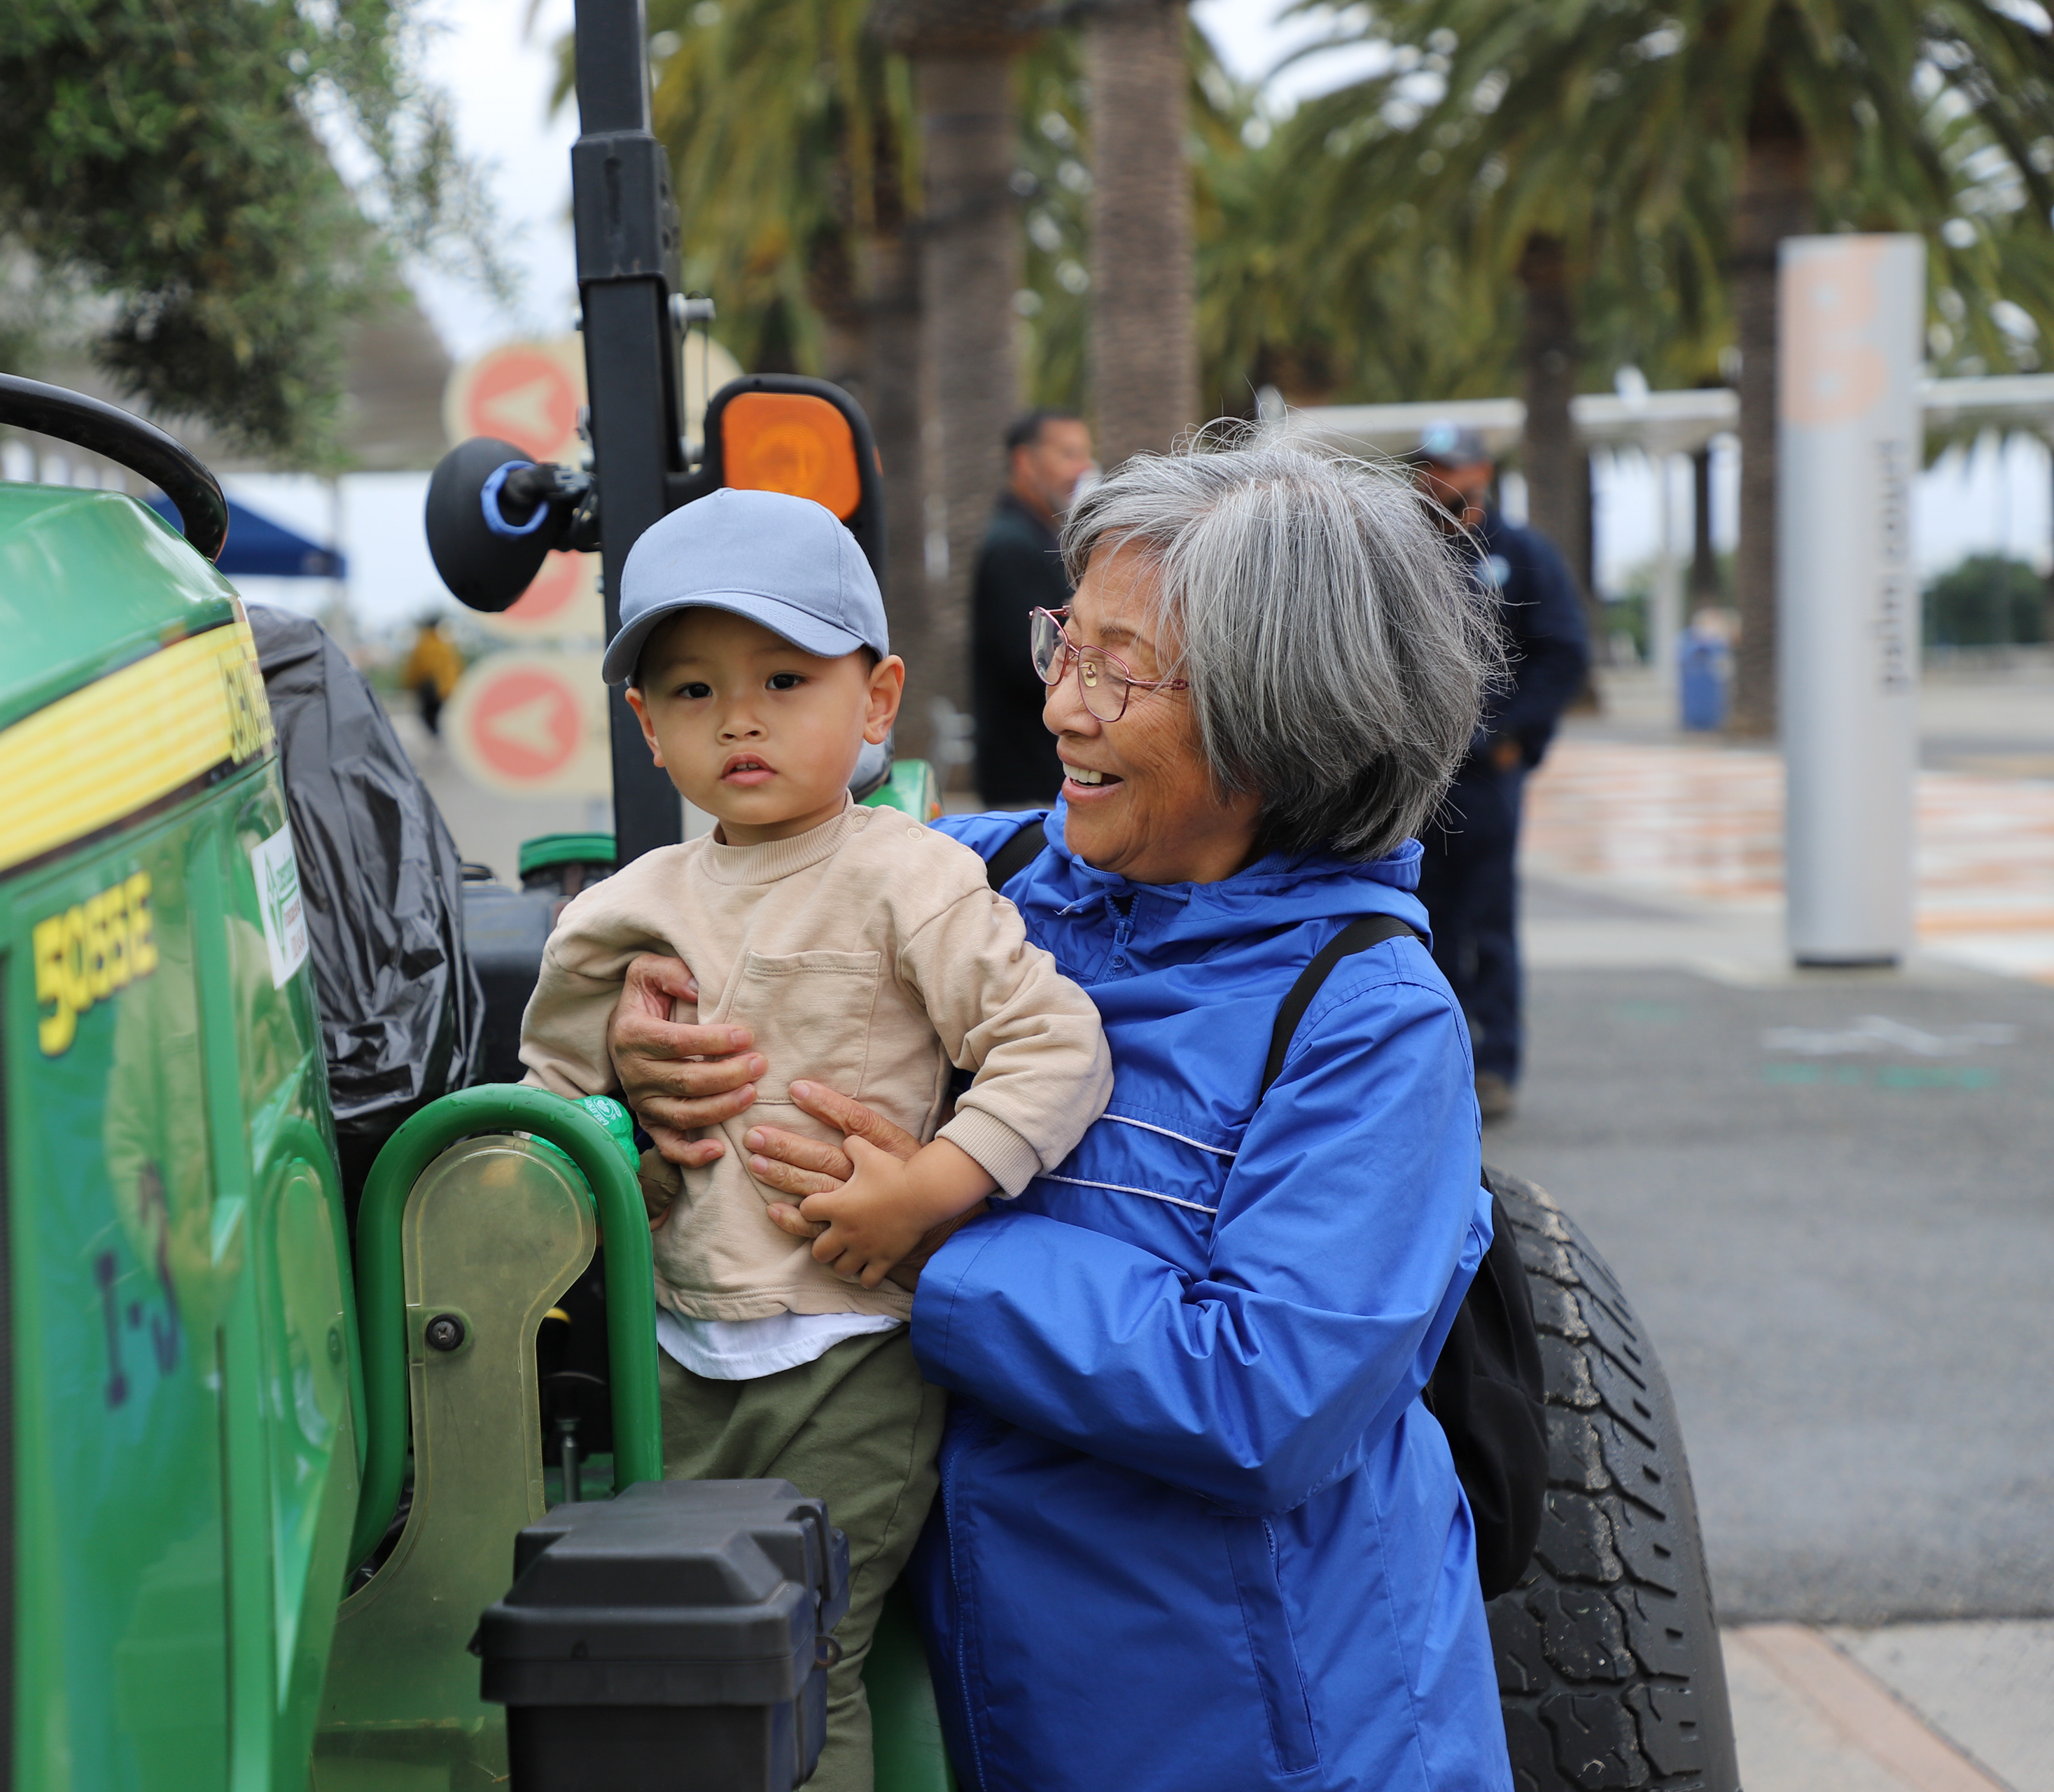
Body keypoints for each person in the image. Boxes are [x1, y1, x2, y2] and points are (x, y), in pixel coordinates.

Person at [603, 442, 1512, 1791]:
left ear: (1283, 716)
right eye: (1062, 647)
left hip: (1266, 1741)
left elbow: (1267, 1397)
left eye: (1120, 670)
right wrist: (648, 1040)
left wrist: (934, 1253)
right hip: (1003, 1709)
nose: (1064, 712)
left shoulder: (1369, 1018)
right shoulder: (972, 882)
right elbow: (751, 915)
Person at [516, 487, 1113, 1792]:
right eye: (690, 690)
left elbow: (1056, 1046)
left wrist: (933, 1194)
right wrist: (628, 1131)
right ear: (646, 726)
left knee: (803, 1642)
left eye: (785, 677)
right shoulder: (621, 917)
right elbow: (550, 1115)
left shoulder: (909, 879)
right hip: (670, 1348)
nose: (738, 717)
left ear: (878, 699)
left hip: (853, 1352)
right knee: (682, 1639)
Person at [1409, 423, 1591, 1121]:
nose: (1443, 480)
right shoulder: (1400, 549)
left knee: (1487, 923)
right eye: (1431, 466)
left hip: (1484, 779)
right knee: (1417, 921)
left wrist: (1511, 734)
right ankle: (1429, 1063)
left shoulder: (1519, 553)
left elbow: (1564, 651)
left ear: (1484, 469)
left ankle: (1496, 1062)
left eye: (1455, 466)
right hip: (1414, 776)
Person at [970, 410, 1096, 806]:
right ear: (1025, 462)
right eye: (1068, 453)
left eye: (1084, 454)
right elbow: (1032, 664)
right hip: (1027, 784)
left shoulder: (1041, 535)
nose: (1082, 468)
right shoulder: (1012, 546)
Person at [401, 615, 463, 738]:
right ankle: (440, 736)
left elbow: (416, 668)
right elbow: (453, 667)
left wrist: (410, 684)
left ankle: (436, 735)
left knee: (428, 715)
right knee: (440, 715)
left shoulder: (422, 645)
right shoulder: (444, 645)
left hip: (427, 689)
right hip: (444, 689)